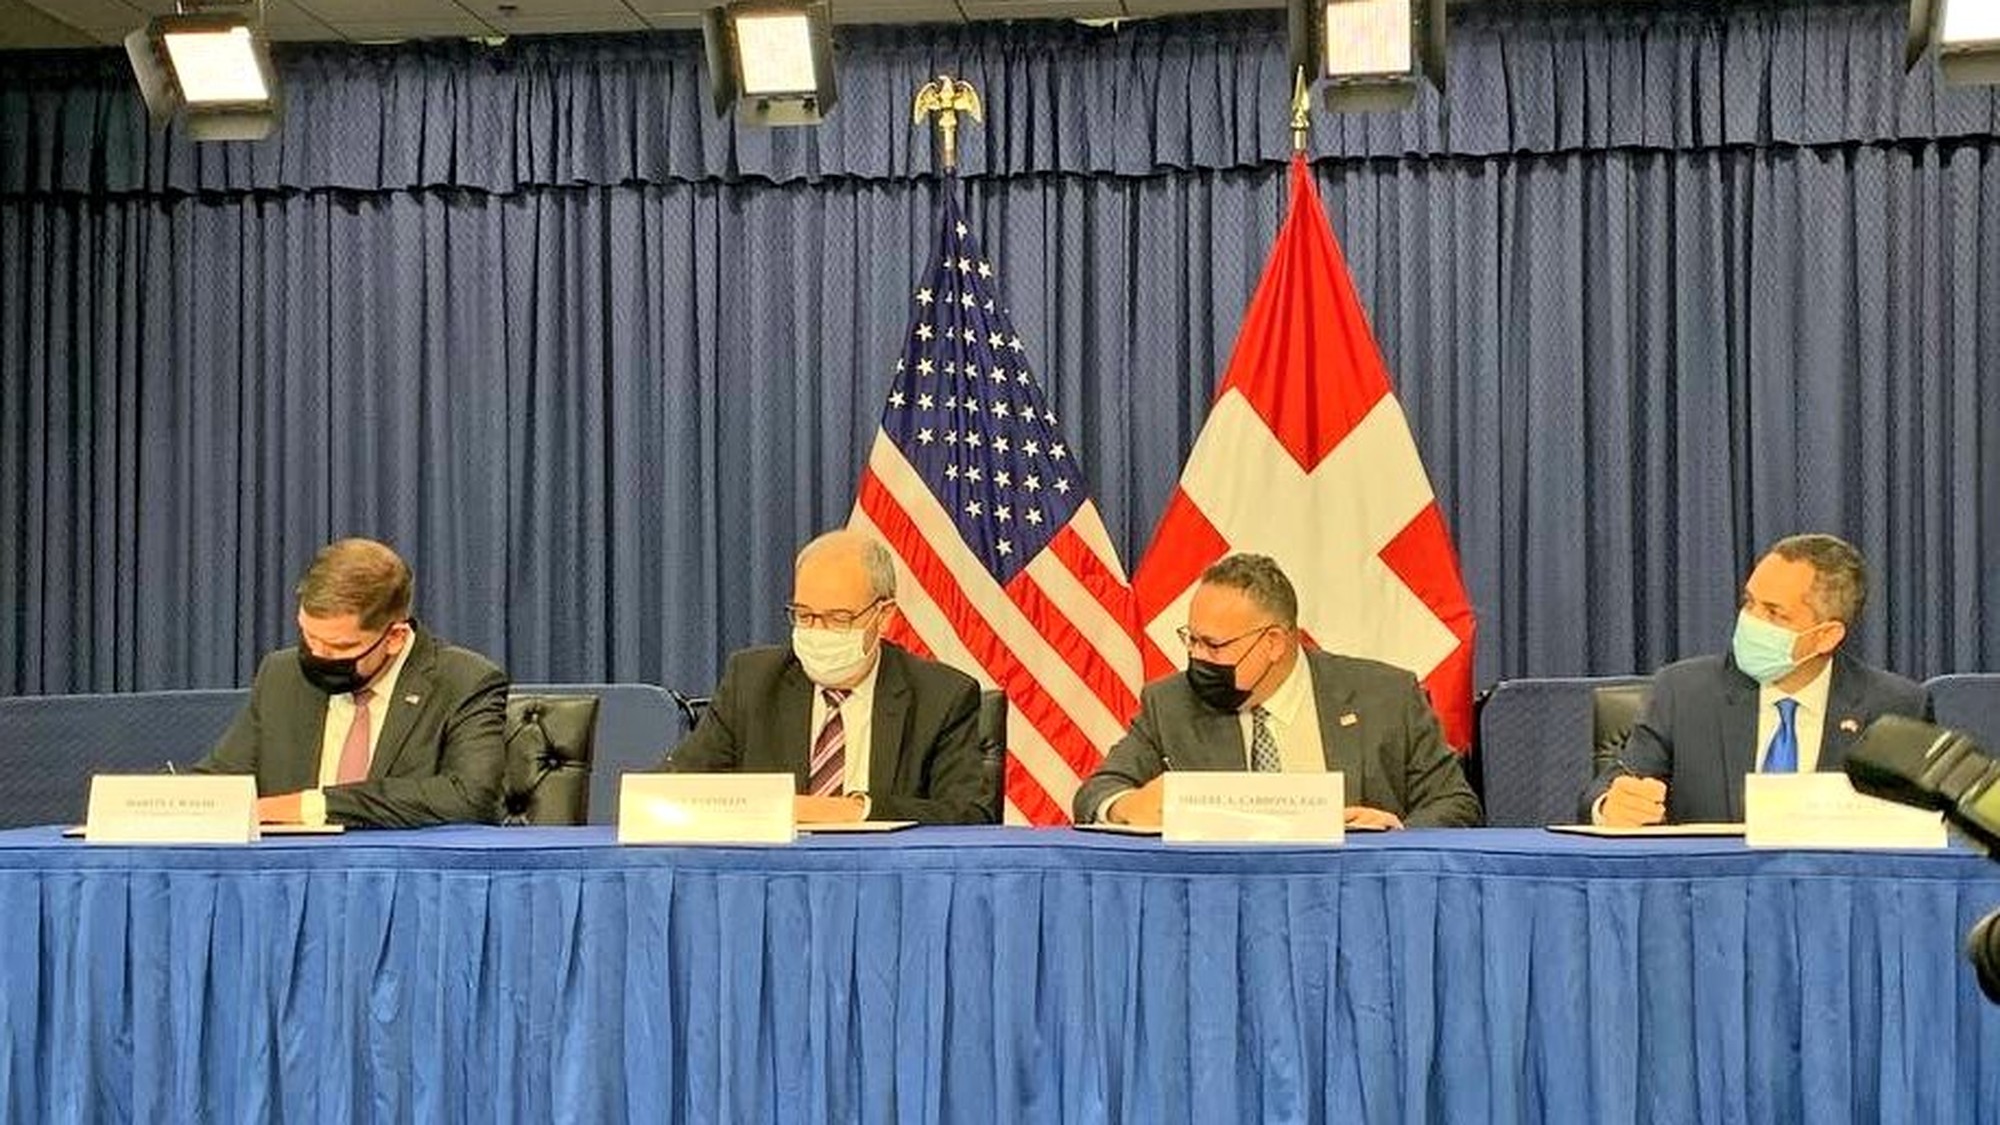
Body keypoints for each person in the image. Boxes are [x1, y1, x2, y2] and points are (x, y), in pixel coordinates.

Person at [1073, 553, 1481, 829]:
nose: (1197, 657)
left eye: (1213, 645)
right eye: (1191, 640)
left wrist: (1394, 834)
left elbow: (1457, 805)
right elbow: (1096, 792)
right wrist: (1126, 807)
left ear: (1273, 643)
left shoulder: (1386, 697)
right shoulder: (1170, 703)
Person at [1582, 533, 1930, 826]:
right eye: (1749, 603)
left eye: (1774, 613)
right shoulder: (1682, 693)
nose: (1751, 621)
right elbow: (1606, 790)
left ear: (1826, 636)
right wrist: (1610, 807)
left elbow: (1921, 830)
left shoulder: (1896, 707)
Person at [664, 529, 994, 825]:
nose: (817, 632)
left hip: (887, 881)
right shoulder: (752, 681)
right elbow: (674, 787)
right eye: (805, 615)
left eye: (838, 618)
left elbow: (969, 814)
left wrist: (855, 810)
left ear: (883, 616)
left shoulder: (941, 696)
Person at [195, 537, 508, 827]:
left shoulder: (464, 681)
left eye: (340, 647)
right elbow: (221, 782)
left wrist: (314, 806)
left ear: (395, 637)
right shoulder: (281, 673)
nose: (318, 655)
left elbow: (469, 797)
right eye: (309, 636)